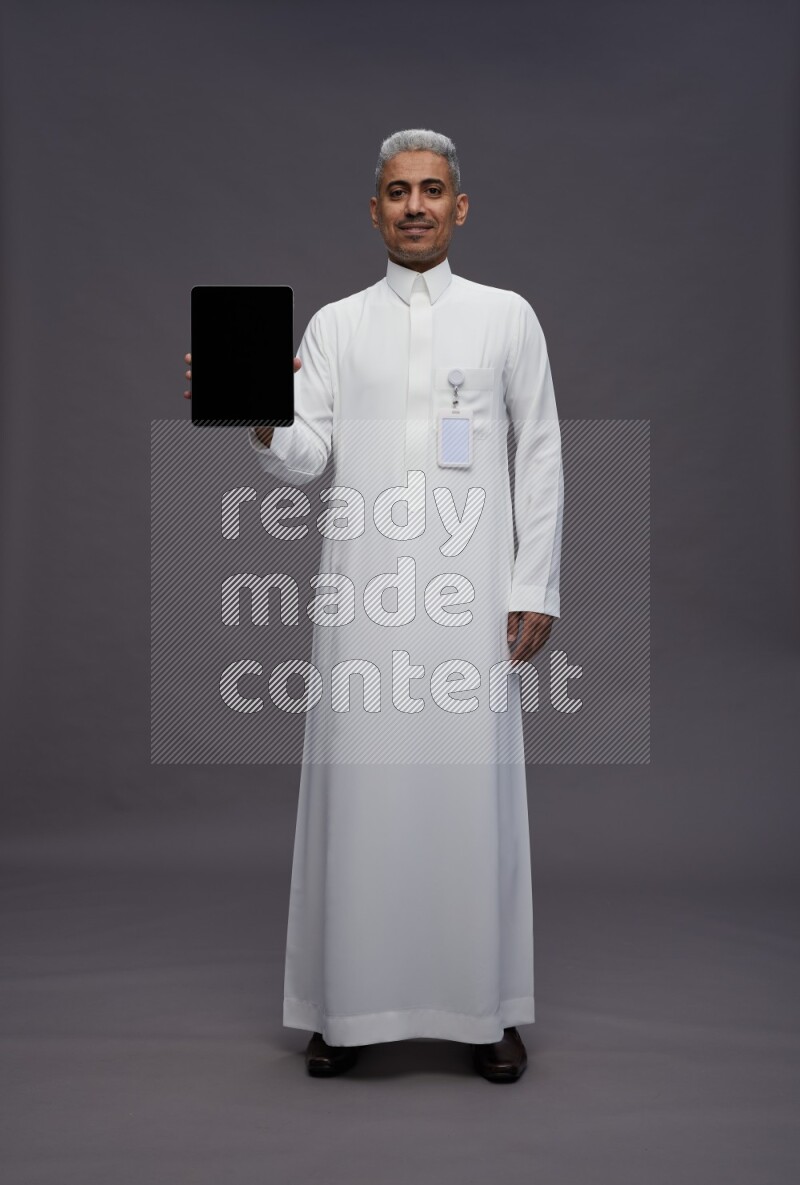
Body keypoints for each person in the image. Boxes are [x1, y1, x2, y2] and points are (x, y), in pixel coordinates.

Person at [183, 128, 563, 1083]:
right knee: (359, 794)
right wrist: (260, 412)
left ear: (459, 207)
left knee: (473, 795)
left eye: (432, 190)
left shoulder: (507, 317)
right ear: (374, 210)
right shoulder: (336, 327)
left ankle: (486, 1010)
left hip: (475, 597)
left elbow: (541, 453)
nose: (416, 206)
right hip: (365, 598)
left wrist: (535, 584)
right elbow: (306, 459)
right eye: (398, 192)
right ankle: (344, 1008)